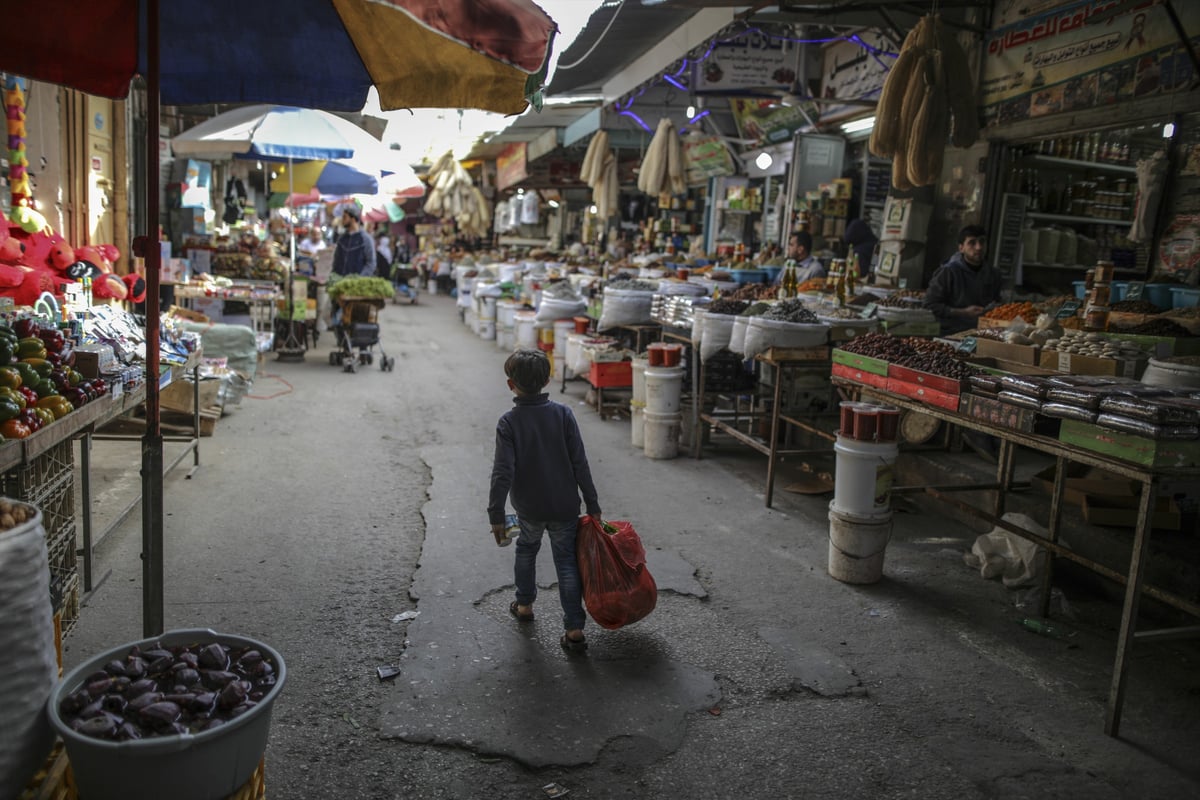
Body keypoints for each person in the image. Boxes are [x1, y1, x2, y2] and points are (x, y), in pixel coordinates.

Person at [488, 349, 602, 654]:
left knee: (526, 550)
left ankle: (524, 605)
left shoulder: (508, 423)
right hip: (565, 506)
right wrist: (593, 505)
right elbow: (580, 463)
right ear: (547, 379)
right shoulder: (563, 414)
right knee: (567, 563)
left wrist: (496, 514)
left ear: (511, 385)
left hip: (529, 509)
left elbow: (502, 472)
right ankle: (574, 629)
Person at [924, 225, 1000, 335]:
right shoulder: (948, 272)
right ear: (961, 248)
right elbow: (929, 304)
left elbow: (997, 303)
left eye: (982, 242)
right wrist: (963, 312)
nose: (978, 247)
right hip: (950, 333)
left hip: (983, 333)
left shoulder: (993, 274)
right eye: (972, 243)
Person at [331, 206, 376, 277]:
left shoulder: (365, 239)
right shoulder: (341, 238)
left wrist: (358, 279)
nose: (342, 220)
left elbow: (371, 263)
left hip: (355, 284)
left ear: (353, 219)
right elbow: (336, 260)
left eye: (345, 217)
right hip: (339, 282)